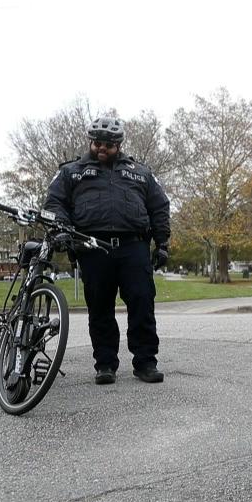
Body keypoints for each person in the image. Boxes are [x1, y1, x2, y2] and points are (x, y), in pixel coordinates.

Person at [44, 117, 171, 385]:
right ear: (90, 141)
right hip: (92, 247)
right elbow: (55, 202)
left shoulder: (141, 172)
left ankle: (145, 362)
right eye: (97, 143)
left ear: (119, 144)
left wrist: (162, 244)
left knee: (141, 302)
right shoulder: (72, 172)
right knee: (100, 307)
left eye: (108, 145)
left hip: (133, 246)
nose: (102, 148)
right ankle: (105, 364)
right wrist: (64, 229)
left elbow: (159, 207)